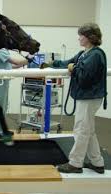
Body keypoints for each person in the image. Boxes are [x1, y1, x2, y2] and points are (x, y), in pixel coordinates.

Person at [42, 23, 107, 174]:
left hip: (90, 97)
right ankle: (97, 162)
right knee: (88, 131)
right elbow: (67, 63)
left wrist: (74, 68)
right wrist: (50, 64)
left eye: (81, 35)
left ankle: (75, 163)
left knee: (81, 130)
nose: (79, 38)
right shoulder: (85, 53)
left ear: (90, 37)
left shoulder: (96, 55)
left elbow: (85, 78)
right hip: (86, 97)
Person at [0, 48, 32, 139]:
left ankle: (2, 129)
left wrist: (25, 62)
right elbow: (15, 62)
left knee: (4, 107)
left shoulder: (4, 50)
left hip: (3, 80)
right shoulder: (0, 49)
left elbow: (11, 66)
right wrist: (27, 58)